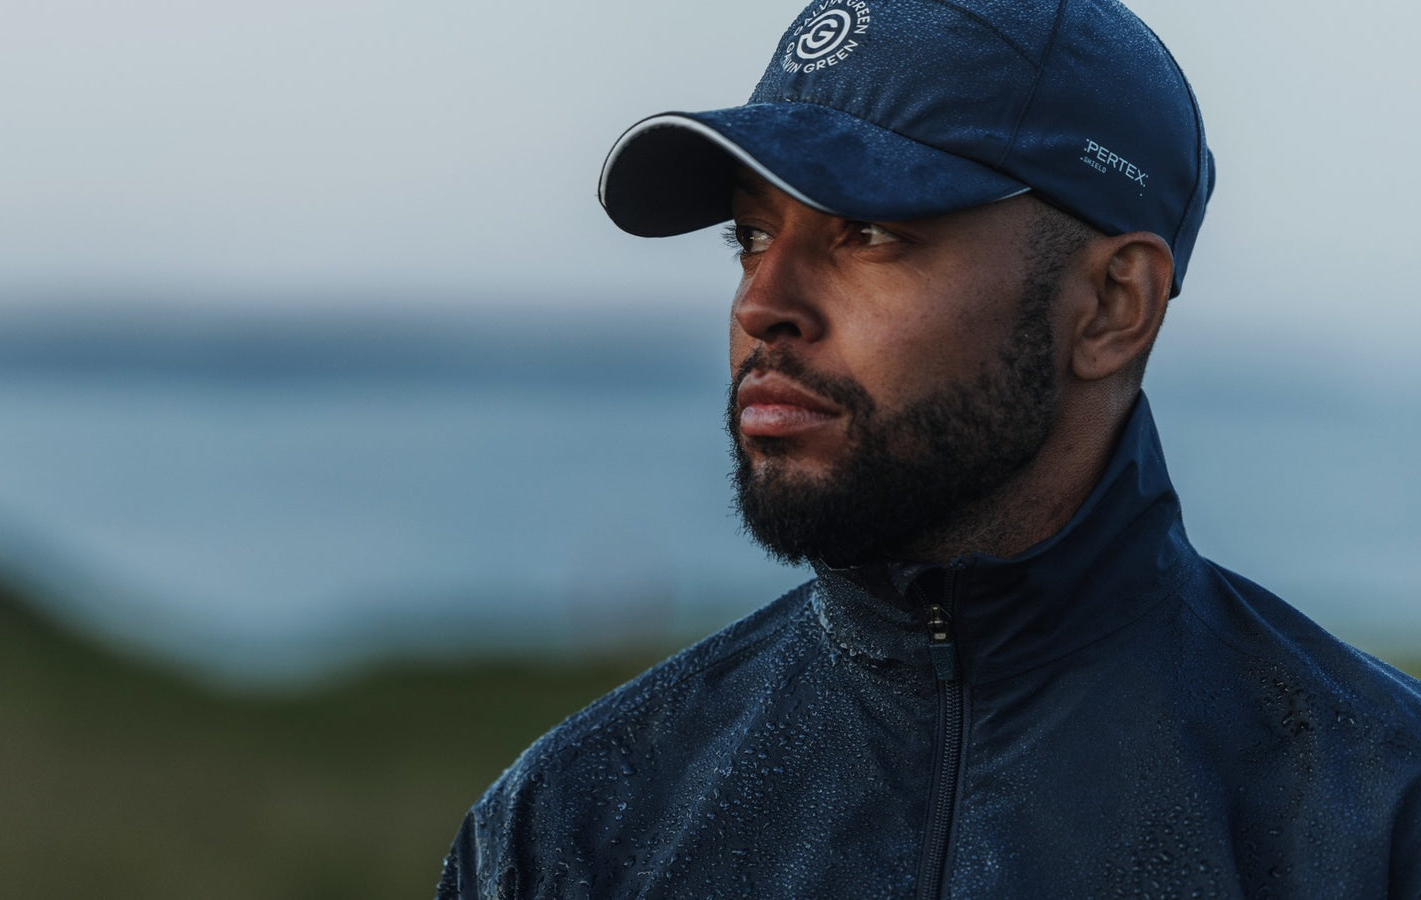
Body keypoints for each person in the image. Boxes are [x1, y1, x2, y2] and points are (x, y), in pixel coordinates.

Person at [439, 0, 1421, 896]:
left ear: (1112, 306)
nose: (759, 305)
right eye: (749, 237)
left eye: (866, 231)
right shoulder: (571, 826)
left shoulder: (1378, 813)